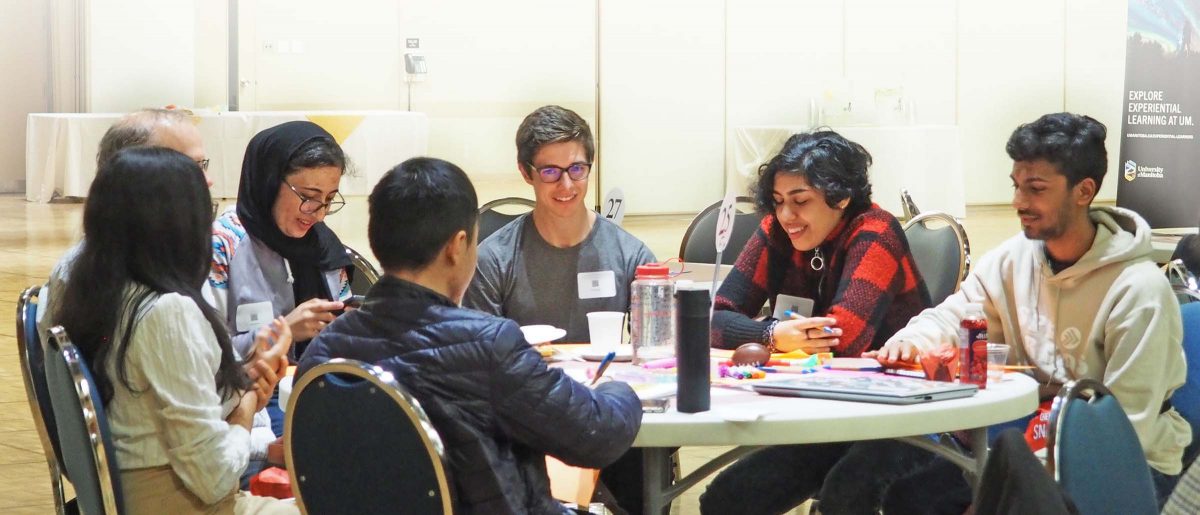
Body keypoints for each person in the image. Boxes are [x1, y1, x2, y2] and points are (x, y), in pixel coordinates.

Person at [867, 112, 1191, 512]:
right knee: (910, 499)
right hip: (1026, 440)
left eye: (1035, 189)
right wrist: (910, 343)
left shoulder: (1139, 291)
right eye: (1016, 186)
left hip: (1130, 462)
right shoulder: (1012, 259)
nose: (1019, 202)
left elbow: (1125, 429)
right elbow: (954, 317)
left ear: (1084, 191)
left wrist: (1007, 490)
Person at [297, 157, 642, 514]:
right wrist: (620, 386)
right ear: (458, 245)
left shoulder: (324, 353)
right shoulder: (489, 346)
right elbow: (595, 434)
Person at [699, 130, 933, 514]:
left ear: (840, 197)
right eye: (777, 202)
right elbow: (713, 319)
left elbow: (840, 340)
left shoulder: (876, 232)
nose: (786, 215)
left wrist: (774, 338)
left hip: (903, 417)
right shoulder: (776, 231)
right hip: (827, 410)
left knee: (843, 498)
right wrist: (773, 334)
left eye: (800, 201)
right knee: (727, 499)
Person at [54, 147, 295, 514]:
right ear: (183, 225)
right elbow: (213, 479)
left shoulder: (91, 291)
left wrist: (245, 387)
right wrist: (245, 407)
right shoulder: (167, 311)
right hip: (181, 501)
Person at [463, 105, 656, 342]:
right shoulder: (492, 260)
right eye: (550, 172)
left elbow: (654, 350)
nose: (566, 185)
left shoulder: (632, 256)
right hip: (524, 377)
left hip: (605, 377)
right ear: (525, 172)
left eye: (577, 169)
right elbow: (481, 357)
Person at [209, 121, 353, 435]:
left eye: (329, 199)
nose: (317, 213)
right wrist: (285, 330)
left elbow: (343, 319)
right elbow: (206, 357)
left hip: (319, 389)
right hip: (245, 401)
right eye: (309, 196)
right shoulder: (224, 244)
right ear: (270, 181)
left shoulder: (324, 245)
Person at [41, 108, 211, 338]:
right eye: (192, 167)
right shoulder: (158, 304)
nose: (208, 181)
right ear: (137, 173)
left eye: (203, 164)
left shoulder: (171, 259)